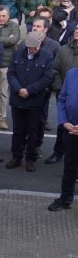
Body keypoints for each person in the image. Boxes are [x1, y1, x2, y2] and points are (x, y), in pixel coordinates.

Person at [6, 32, 53, 172]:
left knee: (33, 131)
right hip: (18, 100)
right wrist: (19, 89)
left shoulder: (47, 57)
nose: (32, 49)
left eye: (34, 47)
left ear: (39, 44)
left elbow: (46, 78)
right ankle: (16, 156)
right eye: (29, 47)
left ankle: (30, 159)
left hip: (34, 101)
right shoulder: (17, 54)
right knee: (18, 131)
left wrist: (29, 90)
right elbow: (11, 73)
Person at [49, 66, 78, 212]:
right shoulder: (71, 74)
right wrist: (64, 122)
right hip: (71, 130)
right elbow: (62, 100)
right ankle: (66, 198)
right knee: (70, 166)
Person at [48, 26, 78, 165]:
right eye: (76, 28)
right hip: (65, 93)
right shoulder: (63, 49)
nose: (77, 30)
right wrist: (60, 88)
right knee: (63, 127)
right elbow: (55, 70)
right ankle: (58, 152)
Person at [0, 6, 21, 130]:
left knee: (3, 93)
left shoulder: (14, 26)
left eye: (3, 16)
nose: (1, 18)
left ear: (8, 16)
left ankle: (1, 118)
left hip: (6, 65)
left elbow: (14, 40)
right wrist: (6, 40)